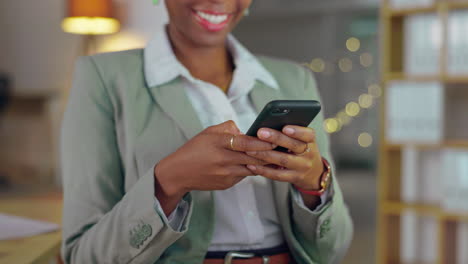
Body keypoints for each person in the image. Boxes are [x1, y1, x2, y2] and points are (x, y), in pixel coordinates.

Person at [60, 0, 353, 263]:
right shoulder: (103, 78)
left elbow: (333, 250)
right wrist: (168, 182)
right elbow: (83, 256)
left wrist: (314, 184)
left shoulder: (293, 78)